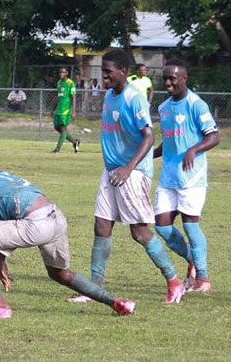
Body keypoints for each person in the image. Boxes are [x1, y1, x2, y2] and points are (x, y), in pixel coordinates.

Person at [0, 158, 136, 318]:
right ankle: (117, 303)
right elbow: (4, 220)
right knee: (60, 274)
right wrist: (0, 261)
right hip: (55, 216)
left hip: (37, 223)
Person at [69, 49, 183, 305]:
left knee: (140, 233)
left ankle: (173, 281)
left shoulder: (134, 98)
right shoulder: (109, 96)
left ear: (123, 72)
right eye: (103, 71)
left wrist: (129, 168)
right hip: (111, 171)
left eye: (108, 71)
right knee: (101, 226)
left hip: (132, 173)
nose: (104, 76)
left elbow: (149, 136)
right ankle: (94, 288)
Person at [152, 61, 220, 295]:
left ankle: (203, 278)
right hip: (168, 178)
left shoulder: (196, 104)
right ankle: (192, 259)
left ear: (184, 78)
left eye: (173, 78)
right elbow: (169, 141)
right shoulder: (163, 108)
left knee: (191, 227)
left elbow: (214, 137)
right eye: (165, 79)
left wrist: (194, 150)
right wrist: (149, 155)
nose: (168, 82)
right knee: (161, 226)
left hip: (192, 178)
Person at [51, 68, 81, 153]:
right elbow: (57, 96)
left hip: (66, 110)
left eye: (63, 72)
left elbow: (74, 97)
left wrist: (74, 111)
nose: (61, 73)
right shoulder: (59, 83)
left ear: (67, 73)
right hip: (59, 109)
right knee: (57, 127)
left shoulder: (70, 83)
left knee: (63, 128)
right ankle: (75, 142)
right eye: (60, 72)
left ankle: (57, 149)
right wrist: (52, 109)